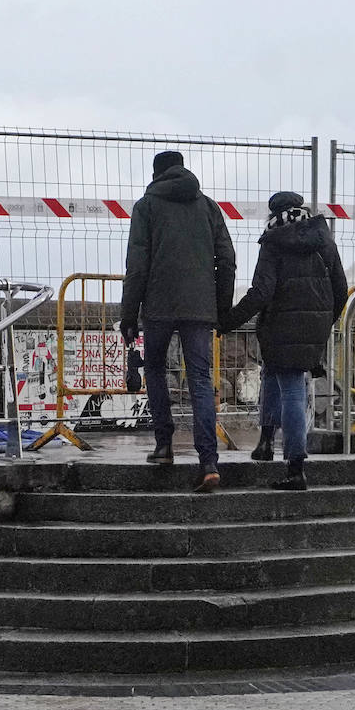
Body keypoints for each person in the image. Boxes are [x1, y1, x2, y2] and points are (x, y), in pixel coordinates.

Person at [120, 151, 237, 493]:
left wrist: (129, 314)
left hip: (158, 304)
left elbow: (136, 264)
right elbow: (227, 260)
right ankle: (209, 462)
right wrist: (221, 308)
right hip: (200, 307)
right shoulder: (208, 207)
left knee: (154, 368)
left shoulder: (146, 207)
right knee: (200, 378)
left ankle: (164, 446)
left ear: (155, 174)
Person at [218, 192, 348, 490]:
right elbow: (340, 289)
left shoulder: (273, 242)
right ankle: (265, 443)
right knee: (272, 375)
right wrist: (323, 321)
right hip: (312, 328)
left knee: (291, 388)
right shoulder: (324, 240)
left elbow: (261, 293)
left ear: (272, 214)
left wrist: (228, 321)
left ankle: (295, 467)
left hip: (279, 326)